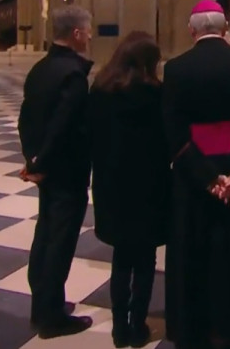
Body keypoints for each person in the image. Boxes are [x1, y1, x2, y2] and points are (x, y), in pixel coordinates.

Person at [162, 0, 230, 349]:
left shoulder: (176, 69)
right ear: (225, 30)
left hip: (195, 178)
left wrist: (208, 178)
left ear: (192, 30)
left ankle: (192, 328)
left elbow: (175, 133)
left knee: (193, 254)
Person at [89, 31, 171, 348]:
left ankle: (119, 328)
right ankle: (138, 325)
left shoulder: (100, 90)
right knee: (145, 259)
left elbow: (91, 134)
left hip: (112, 183)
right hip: (150, 183)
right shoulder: (156, 94)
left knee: (121, 256)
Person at [17, 5, 95, 339]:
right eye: (87, 31)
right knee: (59, 242)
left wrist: (32, 159)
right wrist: (41, 163)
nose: (90, 36)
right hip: (65, 171)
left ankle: (43, 306)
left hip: (46, 169)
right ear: (76, 33)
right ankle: (51, 318)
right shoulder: (73, 75)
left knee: (45, 235)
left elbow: (25, 120)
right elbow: (63, 127)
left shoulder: (40, 69)